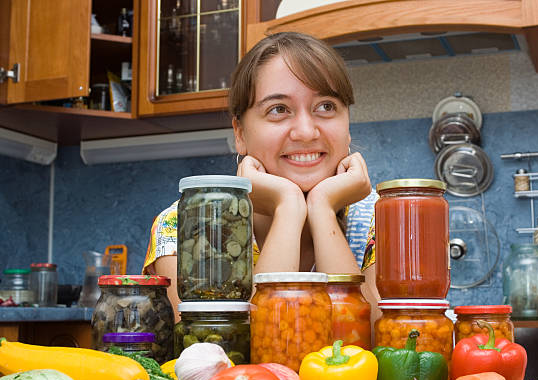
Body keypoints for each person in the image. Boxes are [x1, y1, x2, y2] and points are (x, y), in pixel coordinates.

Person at [143, 31, 379, 322]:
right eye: (279, 109)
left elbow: (372, 344)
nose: (306, 132)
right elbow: (219, 355)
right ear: (240, 134)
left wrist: (322, 210)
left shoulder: (382, 219)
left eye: (326, 107)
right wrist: (288, 208)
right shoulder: (186, 226)